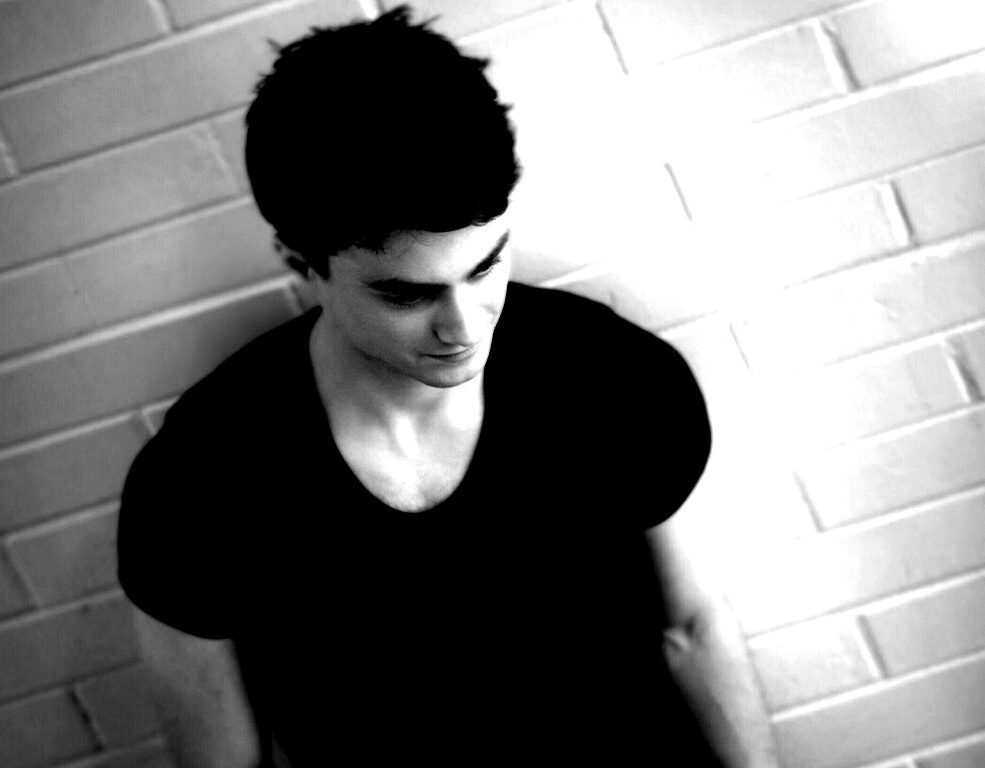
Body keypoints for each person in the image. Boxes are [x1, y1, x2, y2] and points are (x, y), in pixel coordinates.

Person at [117, 6, 780, 767]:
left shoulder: (611, 379)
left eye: (486, 264)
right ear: (299, 265)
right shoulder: (198, 481)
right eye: (406, 295)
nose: (465, 327)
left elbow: (693, 629)